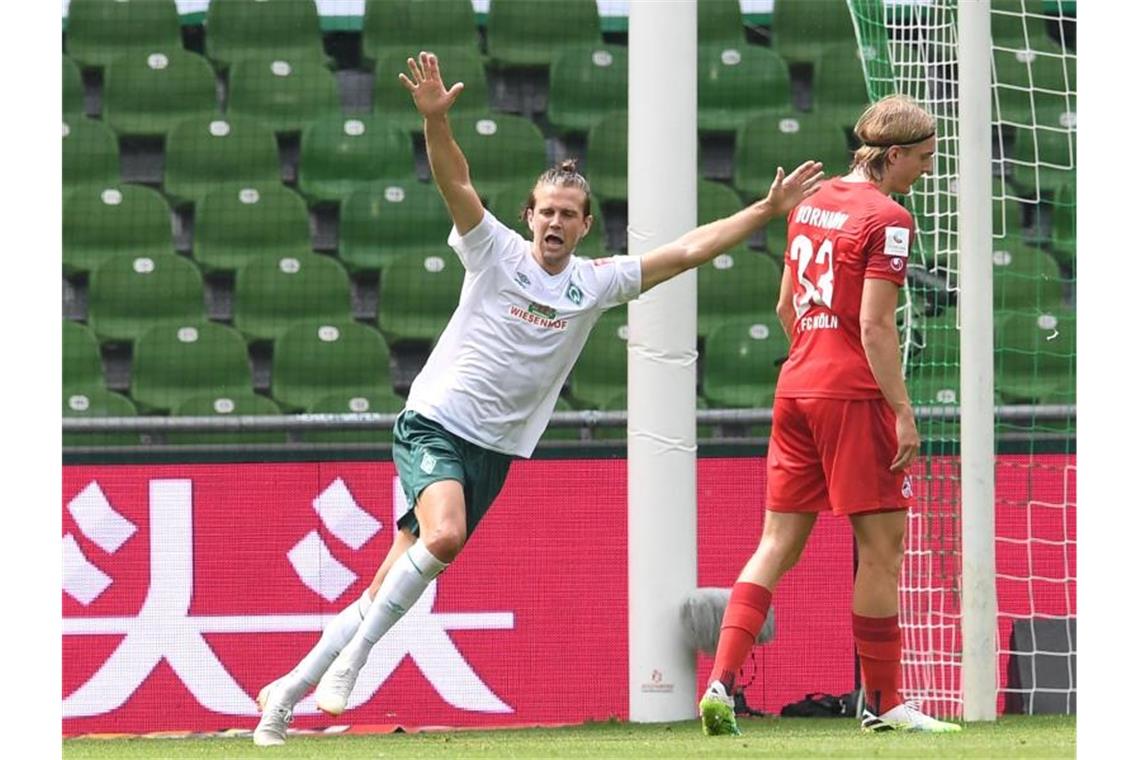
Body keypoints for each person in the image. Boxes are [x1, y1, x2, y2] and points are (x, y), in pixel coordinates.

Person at [253, 51, 823, 747]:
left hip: (494, 449)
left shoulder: (595, 282)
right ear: (528, 216)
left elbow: (685, 252)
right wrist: (437, 122)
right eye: (546, 211)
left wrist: (765, 210)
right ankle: (355, 665)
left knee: (388, 585)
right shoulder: (494, 251)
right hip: (436, 422)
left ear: (585, 226)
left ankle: (283, 695)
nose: (555, 223)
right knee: (443, 536)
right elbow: (454, 178)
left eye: (568, 215)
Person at [698, 94, 961, 736]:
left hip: (797, 386)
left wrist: (813, 362)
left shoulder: (809, 204)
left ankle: (720, 687)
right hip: (851, 393)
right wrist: (902, 411)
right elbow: (874, 326)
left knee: (776, 544)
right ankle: (884, 702)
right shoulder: (889, 218)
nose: (927, 169)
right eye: (923, 159)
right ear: (894, 155)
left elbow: (786, 306)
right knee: (882, 549)